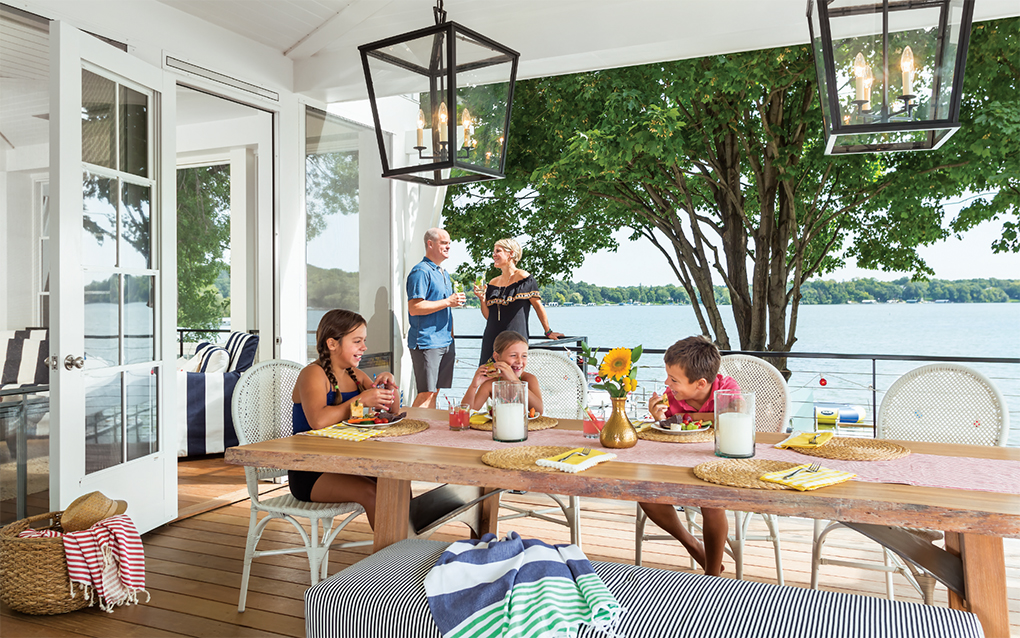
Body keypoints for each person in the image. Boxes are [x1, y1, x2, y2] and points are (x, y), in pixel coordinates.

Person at [641, 335, 741, 577]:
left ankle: (712, 574)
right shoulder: (672, 396)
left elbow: (735, 415)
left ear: (700, 383)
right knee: (643, 492)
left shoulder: (727, 388)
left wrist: (687, 419)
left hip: (718, 466)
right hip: (678, 465)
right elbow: (669, 432)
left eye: (674, 379)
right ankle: (693, 544)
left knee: (711, 500)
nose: (667, 383)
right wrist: (660, 419)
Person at [289, 309, 398, 529]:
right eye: (357, 341)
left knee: (397, 483)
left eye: (364, 341)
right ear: (332, 344)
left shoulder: (355, 375)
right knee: (371, 492)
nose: (364, 347)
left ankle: (408, 545)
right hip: (310, 470)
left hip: (345, 463)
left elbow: (392, 412)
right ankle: (394, 557)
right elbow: (317, 420)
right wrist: (360, 401)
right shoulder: (313, 374)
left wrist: (389, 387)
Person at [472, 238, 564, 365]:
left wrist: (548, 331)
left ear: (511, 254)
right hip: (491, 339)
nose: (493, 255)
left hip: (516, 339)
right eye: (493, 251)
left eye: (498, 251)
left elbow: (538, 307)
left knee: (513, 378)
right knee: (488, 378)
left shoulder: (524, 278)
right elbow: (489, 316)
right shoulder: (492, 283)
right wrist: (482, 300)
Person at [407, 228, 466, 408]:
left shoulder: (443, 273)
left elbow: (447, 309)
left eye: (449, 243)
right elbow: (414, 308)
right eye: (443, 243)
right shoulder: (420, 272)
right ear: (430, 244)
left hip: (445, 342)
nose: (448, 246)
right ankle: (409, 434)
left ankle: (428, 434)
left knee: (435, 392)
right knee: (426, 393)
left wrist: (452, 338)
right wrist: (448, 301)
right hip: (427, 342)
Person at [461, 330, 543, 415]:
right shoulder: (491, 383)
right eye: (513, 355)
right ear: (497, 357)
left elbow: (539, 411)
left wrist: (515, 381)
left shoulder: (529, 379)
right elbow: (466, 413)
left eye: (524, 356)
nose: (519, 361)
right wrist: (473, 386)